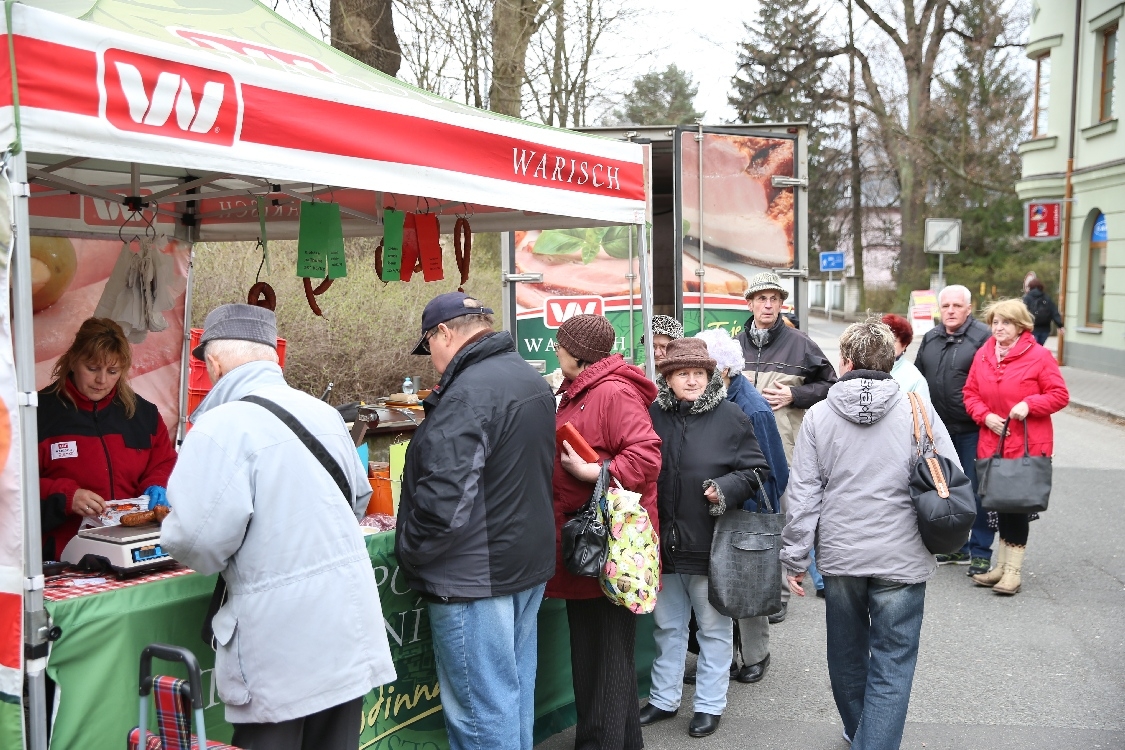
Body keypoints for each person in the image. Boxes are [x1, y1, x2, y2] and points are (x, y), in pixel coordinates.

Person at [162, 304, 395, 750]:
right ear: (273, 357)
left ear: (212, 362)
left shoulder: (220, 426)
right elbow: (358, 499)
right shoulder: (324, 414)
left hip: (280, 642)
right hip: (345, 624)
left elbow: (197, 540)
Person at [781, 319, 958, 749]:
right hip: (904, 554)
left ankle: (859, 730)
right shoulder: (917, 407)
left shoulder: (820, 415)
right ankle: (872, 739)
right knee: (893, 661)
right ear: (892, 358)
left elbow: (803, 493)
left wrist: (794, 558)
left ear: (845, 361)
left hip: (842, 557)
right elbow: (950, 474)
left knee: (846, 651)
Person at [396, 292, 556, 750]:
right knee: (512, 695)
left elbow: (444, 500)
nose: (432, 362)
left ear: (444, 333)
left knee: (482, 713)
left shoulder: (469, 392)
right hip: (521, 560)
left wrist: (410, 551)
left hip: (472, 573)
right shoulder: (527, 376)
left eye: (430, 347)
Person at [640, 338, 768, 739]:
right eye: (683, 374)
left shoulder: (732, 417)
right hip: (663, 543)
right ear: (669, 379)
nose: (691, 380)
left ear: (709, 376)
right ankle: (664, 699)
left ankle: (709, 705)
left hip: (711, 542)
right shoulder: (651, 416)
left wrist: (725, 487)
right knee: (667, 626)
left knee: (713, 629)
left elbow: (757, 471)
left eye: (698, 373)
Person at [548, 314, 662, 750]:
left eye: (561, 345)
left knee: (608, 657)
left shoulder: (612, 392)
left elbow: (647, 457)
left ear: (577, 354)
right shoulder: (583, 389)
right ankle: (612, 740)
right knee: (593, 653)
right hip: (588, 542)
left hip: (610, 544)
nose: (556, 351)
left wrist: (596, 470)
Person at [735, 272, 837, 623]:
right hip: (739, 454)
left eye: (774, 299)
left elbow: (832, 385)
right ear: (749, 303)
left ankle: (777, 597)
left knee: (784, 522)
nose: (767, 305)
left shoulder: (801, 344)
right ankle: (745, 589)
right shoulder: (735, 346)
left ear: (781, 304)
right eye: (761, 298)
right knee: (746, 522)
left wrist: (796, 394)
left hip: (785, 450)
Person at [38, 317, 177, 561]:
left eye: (112, 371)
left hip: (136, 547)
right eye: (92, 368)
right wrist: (65, 496)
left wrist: (157, 484)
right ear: (73, 360)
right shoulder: (38, 414)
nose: (102, 380)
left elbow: (164, 461)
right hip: (62, 554)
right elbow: (12, 482)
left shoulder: (143, 415)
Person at [694, 328, 787, 683]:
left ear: (724, 370)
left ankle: (755, 656)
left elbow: (773, 471)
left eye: (703, 369)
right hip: (722, 504)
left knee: (749, 584)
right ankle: (726, 656)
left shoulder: (752, 408)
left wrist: (740, 496)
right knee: (724, 583)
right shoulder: (720, 397)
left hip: (747, 508)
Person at [962, 299, 1069, 595]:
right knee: (1000, 505)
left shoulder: (1039, 356)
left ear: (1021, 326)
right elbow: (970, 393)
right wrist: (985, 416)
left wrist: (1029, 403)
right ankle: (1000, 566)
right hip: (991, 443)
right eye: (995, 322)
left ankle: (1013, 572)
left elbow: (1059, 395)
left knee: (1017, 507)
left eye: (1006, 323)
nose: (998, 328)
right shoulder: (984, 354)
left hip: (1026, 445)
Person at [913, 284, 993, 575]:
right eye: (945, 306)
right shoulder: (931, 337)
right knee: (944, 488)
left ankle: (981, 550)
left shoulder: (984, 338)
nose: (950, 311)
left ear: (968, 309)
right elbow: (919, 378)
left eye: (956, 306)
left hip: (974, 428)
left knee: (977, 490)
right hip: (938, 429)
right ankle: (957, 545)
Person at [881, 314, 930, 399]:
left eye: (893, 340)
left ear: (904, 345)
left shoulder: (915, 379)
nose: (886, 344)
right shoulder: (865, 366)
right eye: (883, 338)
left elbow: (922, 410)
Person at [1022, 279, 1064, 346]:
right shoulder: (1046, 297)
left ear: (1030, 287)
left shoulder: (1027, 298)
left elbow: (1022, 313)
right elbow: (1054, 311)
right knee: (1039, 347)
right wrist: (1060, 325)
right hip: (1045, 329)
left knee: (1032, 348)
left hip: (1032, 328)